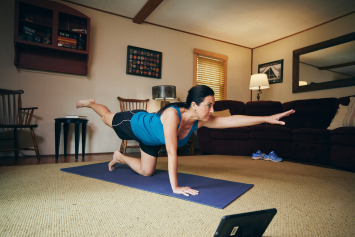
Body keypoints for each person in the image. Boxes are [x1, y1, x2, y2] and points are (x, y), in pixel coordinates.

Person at [76, 85, 295, 197]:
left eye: (213, 105)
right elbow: (171, 152)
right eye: (208, 105)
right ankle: (90, 103)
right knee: (107, 117)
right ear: (194, 105)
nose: (212, 110)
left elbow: (231, 120)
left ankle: (119, 156)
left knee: (146, 172)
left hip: (150, 140)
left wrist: (267, 118)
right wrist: (176, 187)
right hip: (135, 123)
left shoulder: (200, 121)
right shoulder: (173, 114)